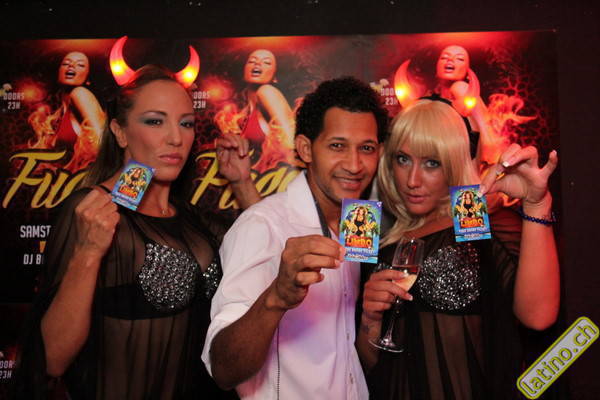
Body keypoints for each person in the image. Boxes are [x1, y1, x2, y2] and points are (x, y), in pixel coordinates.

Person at [13, 65, 258, 399]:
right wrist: (88, 253)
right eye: (155, 121)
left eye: (186, 123)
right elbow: (52, 361)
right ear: (120, 132)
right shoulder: (92, 212)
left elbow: (267, 254)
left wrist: (242, 183)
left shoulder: (194, 221)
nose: (175, 138)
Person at [356, 99, 559, 399]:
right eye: (402, 159)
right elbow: (372, 367)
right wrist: (370, 321)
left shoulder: (478, 224)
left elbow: (538, 316)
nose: (412, 180)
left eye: (432, 163)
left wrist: (537, 205)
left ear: (454, 163)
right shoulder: (383, 242)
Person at [202, 76, 389, 399]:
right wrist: (276, 297)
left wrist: (372, 318)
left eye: (367, 148)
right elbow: (223, 368)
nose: (355, 164)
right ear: (305, 149)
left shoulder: (356, 225)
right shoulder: (261, 226)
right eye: (337, 146)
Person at [215, 49, 296, 172]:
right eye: (252, 61)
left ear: (275, 77)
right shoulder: (244, 112)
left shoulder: (267, 92)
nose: (257, 64)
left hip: (276, 179)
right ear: (244, 71)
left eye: (266, 62)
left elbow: (291, 143)